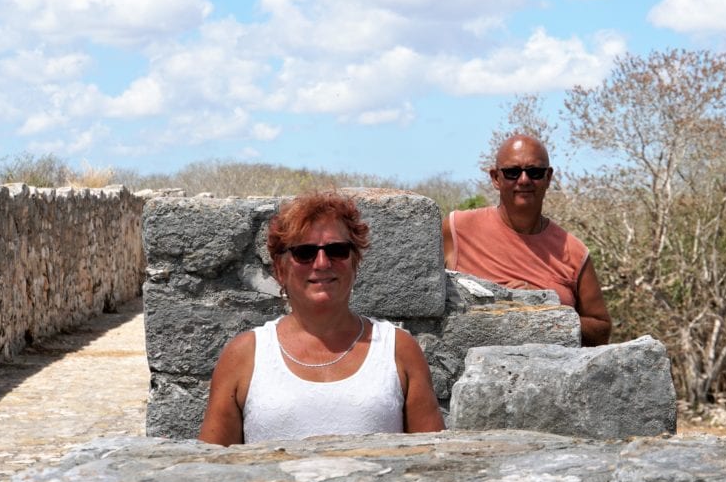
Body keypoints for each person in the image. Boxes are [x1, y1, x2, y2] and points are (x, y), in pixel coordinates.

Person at [199, 191, 444, 445]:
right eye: (304, 253)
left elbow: (434, 460)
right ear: (280, 269)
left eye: (337, 250)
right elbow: (212, 466)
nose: (322, 263)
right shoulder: (244, 356)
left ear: (355, 262)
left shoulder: (398, 350)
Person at [442, 134, 612, 346]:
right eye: (512, 172)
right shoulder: (457, 229)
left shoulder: (574, 252)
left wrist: (548, 311)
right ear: (496, 178)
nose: (524, 180)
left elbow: (601, 330)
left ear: (548, 177)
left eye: (534, 172)